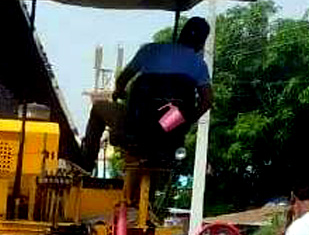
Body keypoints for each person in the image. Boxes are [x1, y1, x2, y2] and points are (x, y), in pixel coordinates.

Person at [79, 16, 214, 169]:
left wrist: (119, 92)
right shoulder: (199, 65)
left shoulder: (150, 50)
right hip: (169, 132)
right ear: (202, 42)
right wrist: (185, 122)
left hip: (137, 129)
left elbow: (123, 79)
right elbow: (207, 100)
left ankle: (86, 165)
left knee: (98, 108)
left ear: (181, 33)